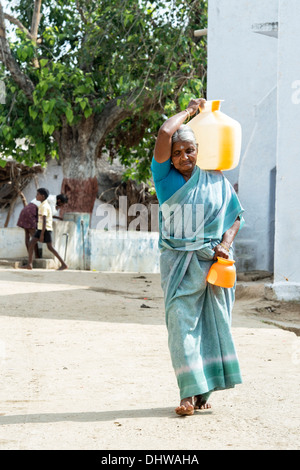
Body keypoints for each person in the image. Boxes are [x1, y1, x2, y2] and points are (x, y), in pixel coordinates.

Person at [151, 98, 245, 416]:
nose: (183, 157)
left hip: (212, 264)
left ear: (198, 150)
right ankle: (187, 394)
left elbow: (236, 216)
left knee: (212, 324)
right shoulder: (165, 179)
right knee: (180, 324)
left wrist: (226, 244)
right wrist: (190, 111)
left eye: (189, 150)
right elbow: (166, 132)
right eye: (177, 153)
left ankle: (204, 391)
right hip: (179, 265)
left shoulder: (216, 180)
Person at [22, 188, 68, 271]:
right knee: (33, 244)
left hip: (44, 229)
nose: (36, 196)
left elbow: (44, 220)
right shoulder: (45, 204)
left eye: (37, 195)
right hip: (43, 229)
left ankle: (64, 264)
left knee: (49, 247)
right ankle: (29, 264)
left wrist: (42, 234)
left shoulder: (44, 205)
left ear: (43, 197)